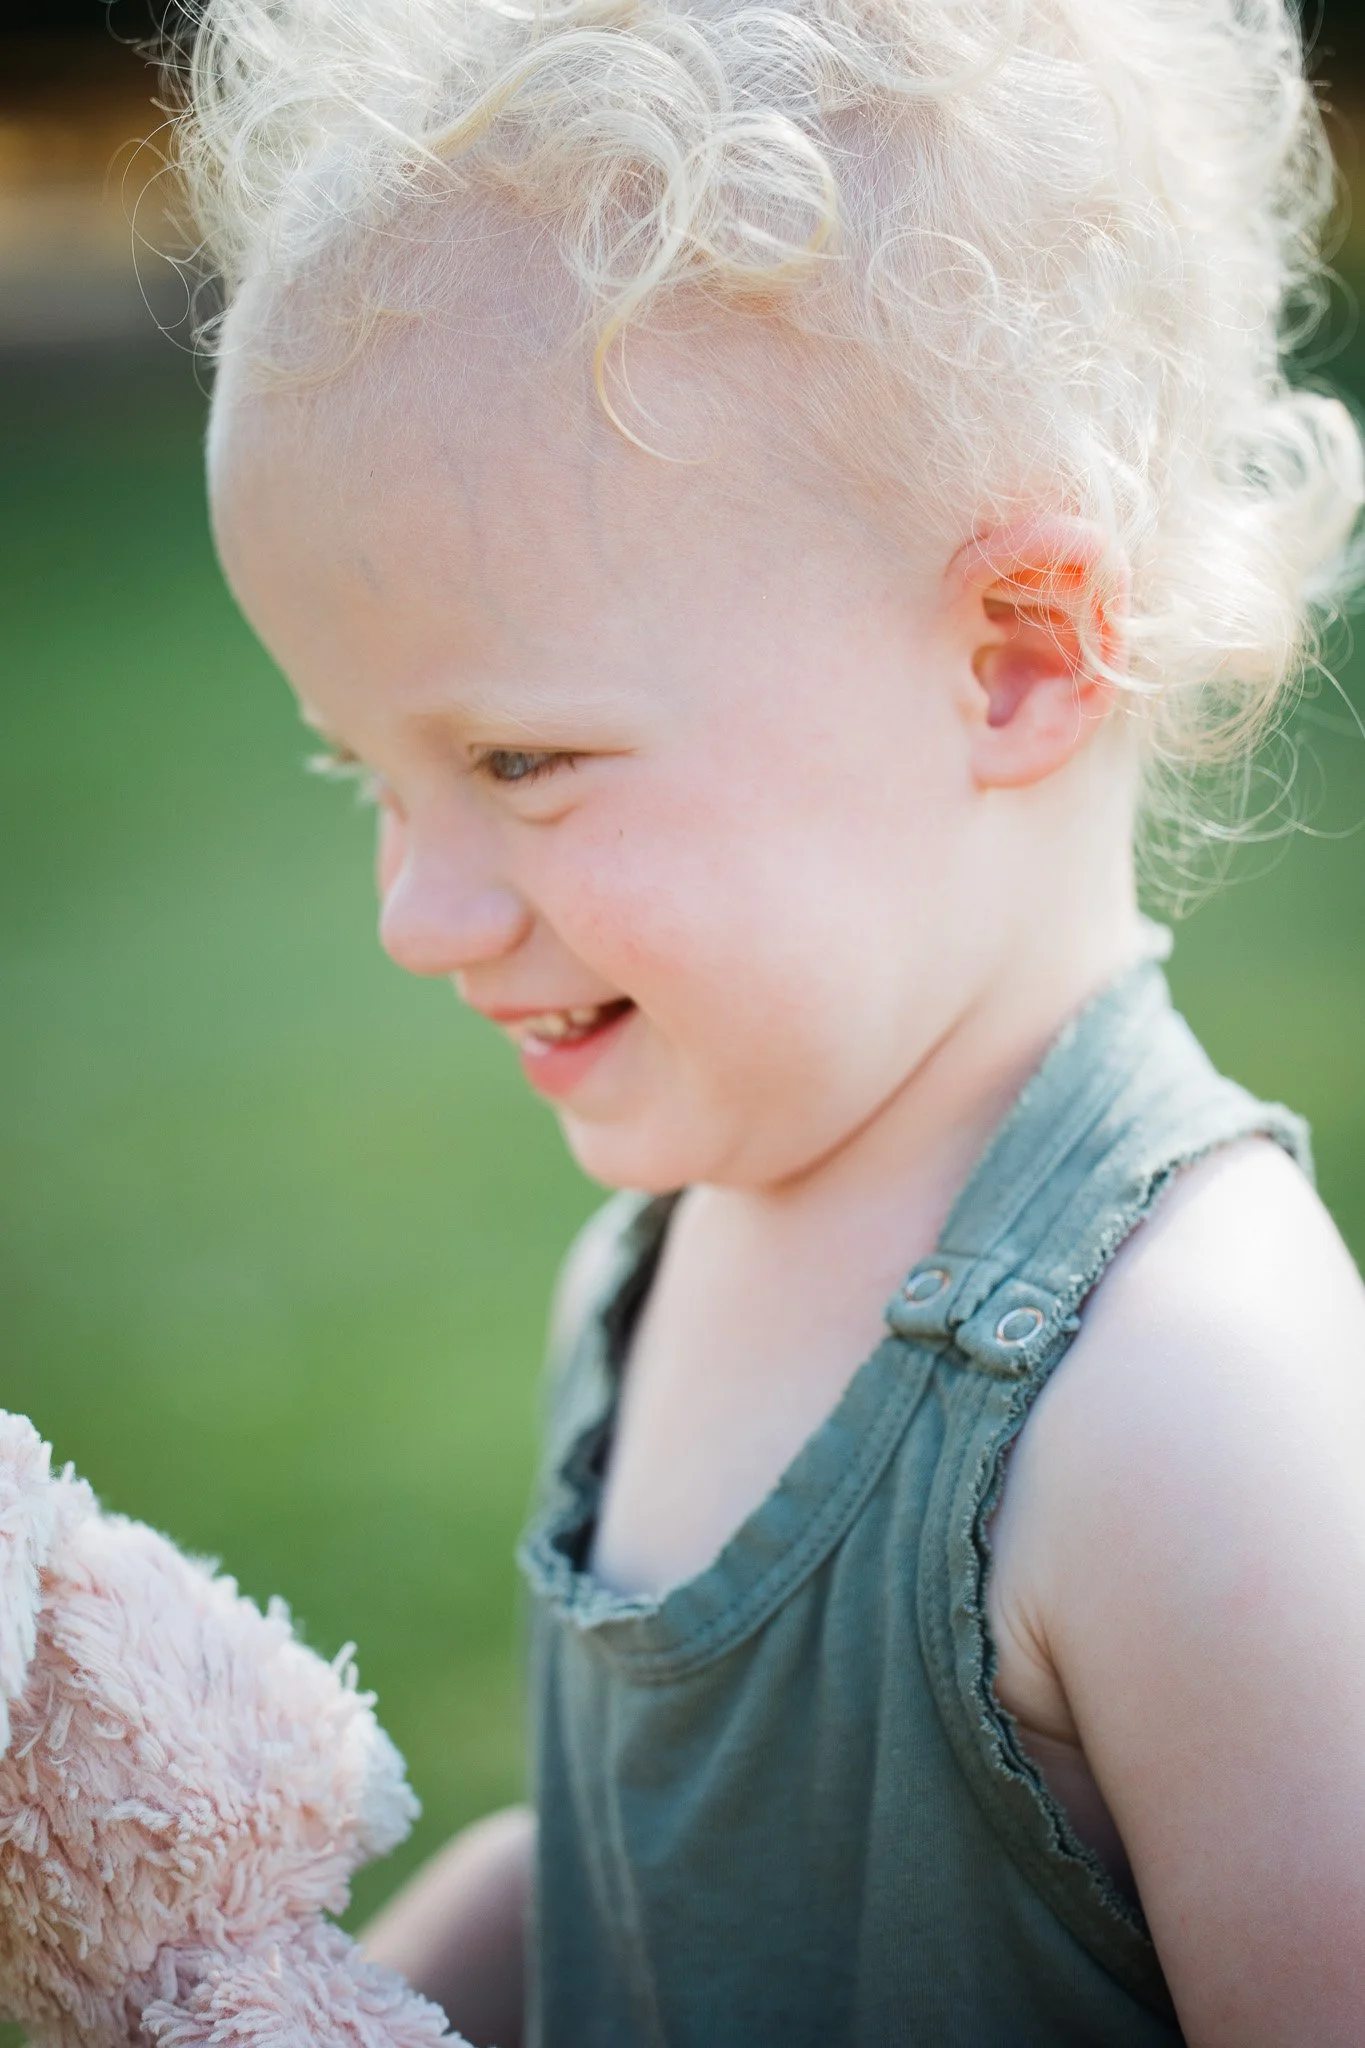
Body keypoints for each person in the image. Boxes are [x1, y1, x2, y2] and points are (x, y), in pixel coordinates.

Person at [182, 0, 1365, 2038]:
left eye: (522, 759)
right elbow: (644, 1887)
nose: (414, 913)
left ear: (1015, 659)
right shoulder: (649, 1263)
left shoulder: (1184, 1395)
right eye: (362, 773)